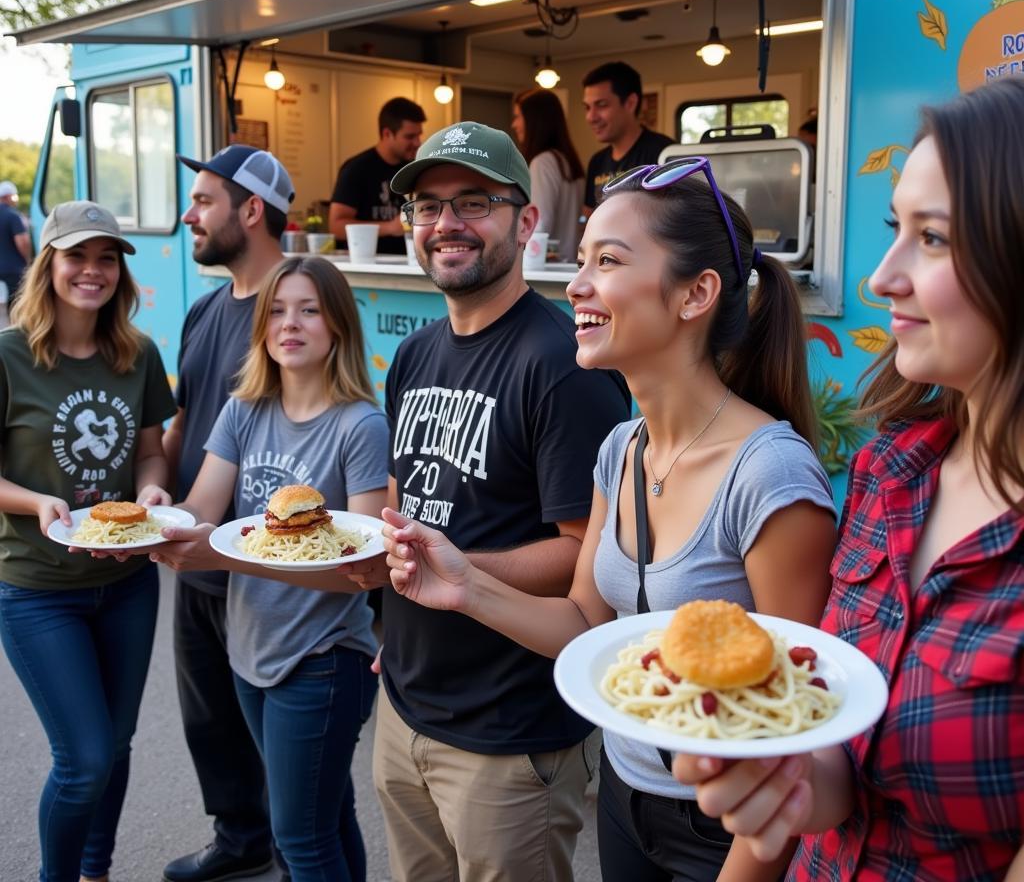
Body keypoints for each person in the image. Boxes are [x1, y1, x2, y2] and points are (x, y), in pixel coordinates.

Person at [382, 151, 838, 880]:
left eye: (609, 261)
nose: (579, 285)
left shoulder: (771, 477)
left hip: (727, 826)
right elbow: (586, 627)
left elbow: (801, 723)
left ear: (696, 295)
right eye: (583, 259)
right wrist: (464, 584)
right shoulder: (622, 450)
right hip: (626, 795)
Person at [673, 77, 1024, 881]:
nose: (881, 278)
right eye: (894, 228)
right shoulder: (888, 472)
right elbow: (841, 762)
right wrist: (791, 780)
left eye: (932, 239)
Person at [369, 120, 631, 881]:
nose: (446, 224)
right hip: (405, 703)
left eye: (473, 202)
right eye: (427, 206)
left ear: (525, 222)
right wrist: (396, 607)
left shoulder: (562, 364)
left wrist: (455, 573)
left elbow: (589, 557)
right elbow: (406, 503)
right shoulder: (415, 352)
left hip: (509, 734)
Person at [143, 256, 387, 882]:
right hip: (248, 645)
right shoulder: (244, 409)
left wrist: (226, 552)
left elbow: (366, 565)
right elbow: (204, 508)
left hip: (323, 657)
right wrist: (159, 521)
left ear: (337, 325)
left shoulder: (360, 425)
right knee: (326, 817)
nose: (290, 323)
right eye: (277, 310)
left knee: (298, 840)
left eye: (309, 309)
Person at [0, 203, 175, 882]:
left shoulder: (138, 353)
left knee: (118, 744)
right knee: (85, 761)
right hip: (39, 590)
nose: (93, 272)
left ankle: (96, 872)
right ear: (48, 264)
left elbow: (153, 452)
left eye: (107, 259)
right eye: (78, 257)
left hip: (128, 583)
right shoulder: (10, 355)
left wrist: (154, 490)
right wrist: (36, 500)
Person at [162, 144, 294, 882]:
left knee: (283, 731)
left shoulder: (296, 304)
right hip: (194, 550)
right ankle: (240, 838)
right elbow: (184, 423)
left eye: (205, 199)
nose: (190, 214)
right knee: (209, 717)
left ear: (251, 210)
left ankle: (290, 851)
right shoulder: (205, 309)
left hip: (265, 562)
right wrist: (155, 498)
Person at [328, 97, 426, 255]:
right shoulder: (356, 169)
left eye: (418, 135)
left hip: (410, 264)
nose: (417, 142)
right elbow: (336, 227)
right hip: (367, 267)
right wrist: (390, 228)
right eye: (409, 137)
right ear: (387, 134)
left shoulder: (414, 168)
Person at [581, 61, 675, 213]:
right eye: (587, 107)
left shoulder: (664, 153)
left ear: (630, 103)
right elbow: (589, 214)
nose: (591, 117)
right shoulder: (597, 161)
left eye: (602, 105)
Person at [511, 87, 585, 262]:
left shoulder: (543, 162)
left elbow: (539, 225)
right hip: (570, 265)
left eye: (518, 117)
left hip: (547, 269)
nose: (514, 124)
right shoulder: (568, 161)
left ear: (534, 121)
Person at [0, 179, 31, 302]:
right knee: (16, 304)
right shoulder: (13, 216)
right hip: (13, 269)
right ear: (9, 197)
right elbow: (22, 241)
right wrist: (28, 260)